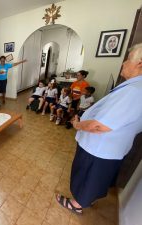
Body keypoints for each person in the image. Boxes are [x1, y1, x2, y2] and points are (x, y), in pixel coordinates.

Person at [56, 43, 142, 215]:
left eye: (127, 59)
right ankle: (89, 198)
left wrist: (77, 125)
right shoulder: (134, 88)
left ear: (140, 63)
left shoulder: (135, 91)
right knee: (96, 178)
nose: (123, 63)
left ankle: (77, 204)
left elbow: (98, 126)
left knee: (87, 176)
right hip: (106, 148)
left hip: (99, 148)